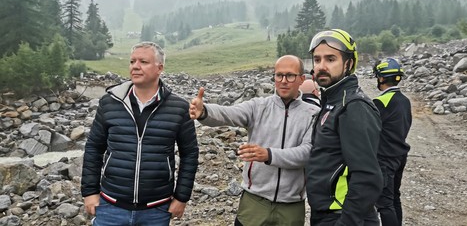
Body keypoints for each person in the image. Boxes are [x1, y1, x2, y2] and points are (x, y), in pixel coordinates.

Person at [189, 55, 319, 226]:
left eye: (290, 75)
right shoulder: (258, 106)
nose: (283, 81)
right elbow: (228, 113)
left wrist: (268, 155)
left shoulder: (313, 113)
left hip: (292, 206)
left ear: (302, 79)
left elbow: (307, 153)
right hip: (254, 201)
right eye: (279, 75)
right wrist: (205, 111)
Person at [81, 41, 199, 226]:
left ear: (160, 68)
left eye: (143, 62)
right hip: (111, 205)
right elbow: (94, 148)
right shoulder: (109, 103)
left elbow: (190, 154)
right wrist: (89, 192)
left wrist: (181, 198)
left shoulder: (179, 108)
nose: (135, 66)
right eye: (132, 61)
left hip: (157, 209)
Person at [305, 29, 383, 226]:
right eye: (317, 59)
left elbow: (367, 176)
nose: (321, 66)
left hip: (342, 216)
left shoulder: (353, 106)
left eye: (331, 59)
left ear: (348, 64)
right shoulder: (333, 100)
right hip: (327, 212)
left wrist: (347, 221)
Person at [372, 58, 412, 226]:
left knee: (384, 203)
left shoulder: (380, 102)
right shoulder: (405, 100)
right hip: (399, 155)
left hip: (385, 158)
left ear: (381, 78)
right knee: (394, 197)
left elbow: (370, 130)